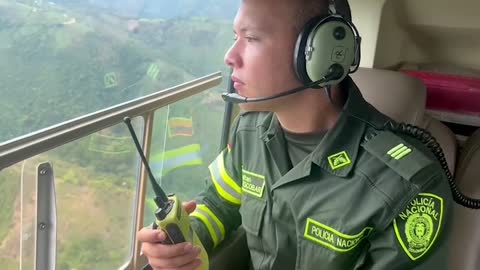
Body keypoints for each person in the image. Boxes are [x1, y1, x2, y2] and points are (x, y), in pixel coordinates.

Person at [137, 0, 453, 269]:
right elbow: (220, 204)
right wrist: (185, 242)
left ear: (323, 51)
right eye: (236, 36)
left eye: (251, 38)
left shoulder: (408, 187)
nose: (230, 56)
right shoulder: (249, 133)